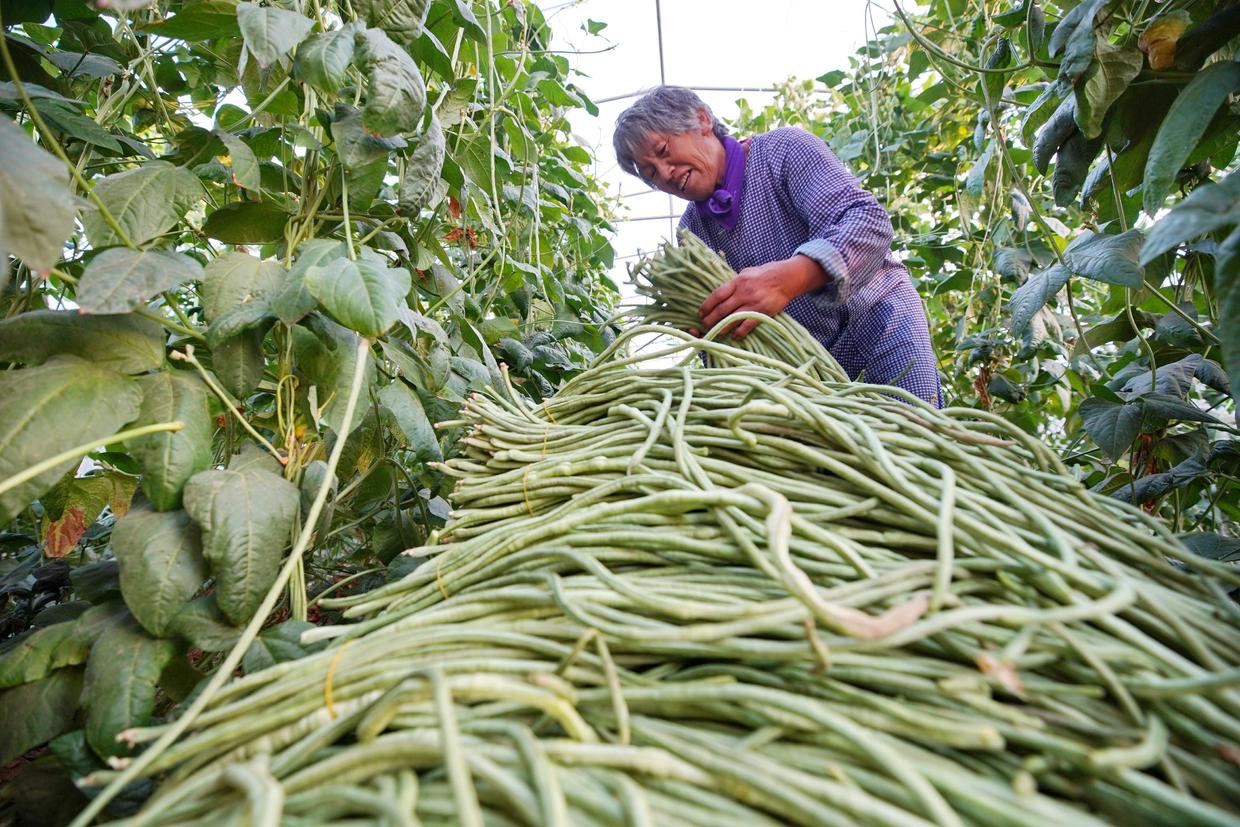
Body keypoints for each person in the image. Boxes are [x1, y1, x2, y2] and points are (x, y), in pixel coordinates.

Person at [613, 86, 942, 407]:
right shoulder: (692, 234)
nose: (665, 174)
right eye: (651, 173)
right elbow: (726, 333)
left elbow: (867, 221)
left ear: (702, 120)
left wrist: (789, 279)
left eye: (663, 151)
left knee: (915, 431)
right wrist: (711, 334)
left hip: (879, 321)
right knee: (847, 446)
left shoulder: (782, 151)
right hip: (805, 371)